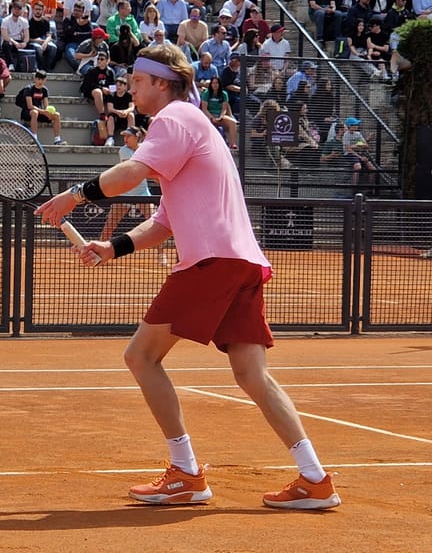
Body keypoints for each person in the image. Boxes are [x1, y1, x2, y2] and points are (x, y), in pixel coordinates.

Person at [35, 44, 342, 512]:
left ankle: (185, 473)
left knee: (141, 357)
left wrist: (75, 196)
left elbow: (130, 173)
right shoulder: (190, 127)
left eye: (137, 81)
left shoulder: (174, 118)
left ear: (162, 82)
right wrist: (113, 247)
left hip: (211, 262)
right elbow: (163, 222)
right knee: (252, 374)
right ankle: (316, 479)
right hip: (241, 262)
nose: (130, 88)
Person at [98, 125, 154, 241]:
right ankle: (97, 253)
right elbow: (135, 169)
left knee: (155, 225)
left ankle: (160, 254)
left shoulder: (145, 148)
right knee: (109, 226)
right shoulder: (124, 150)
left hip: (142, 193)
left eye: (129, 136)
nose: (125, 139)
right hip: (124, 192)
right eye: (124, 136)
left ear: (137, 137)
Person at [18, 69, 67, 145]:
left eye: (43, 79)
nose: (40, 81)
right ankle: (34, 138)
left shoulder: (44, 90)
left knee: (57, 115)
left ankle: (57, 140)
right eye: (39, 79)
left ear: (45, 80)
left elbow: (46, 105)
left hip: (40, 111)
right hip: (27, 112)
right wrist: (43, 112)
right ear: (35, 79)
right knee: (34, 112)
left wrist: (48, 113)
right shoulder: (28, 88)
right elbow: (30, 106)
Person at [201, 74, 237, 149]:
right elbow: (204, 109)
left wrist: (221, 117)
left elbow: (224, 109)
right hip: (209, 116)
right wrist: (211, 117)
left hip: (220, 116)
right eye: (213, 83)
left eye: (216, 83)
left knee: (232, 122)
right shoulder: (206, 93)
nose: (215, 85)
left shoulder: (224, 94)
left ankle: (233, 144)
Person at [104, 74, 135, 146]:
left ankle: (130, 137)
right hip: (116, 116)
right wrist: (118, 112)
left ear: (125, 86)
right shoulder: (111, 95)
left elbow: (132, 107)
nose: (118, 87)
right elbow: (110, 109)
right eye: (117, 85)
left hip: (125, 115)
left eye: (120, 85)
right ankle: (110, 138)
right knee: (110, 116)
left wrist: (125, 112)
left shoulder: (129, 96)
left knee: (131, 114)